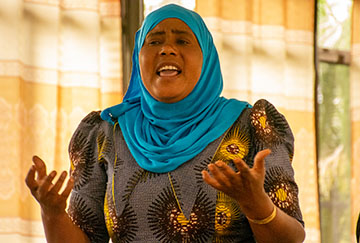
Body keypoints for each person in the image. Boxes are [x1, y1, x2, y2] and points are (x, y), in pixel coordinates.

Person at [25, 4, 306, 243]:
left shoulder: (251, 124)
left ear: (206, 58)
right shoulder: (104, 132)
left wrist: (256, 205)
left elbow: (292, 237)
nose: (167, 49)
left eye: (183, 41)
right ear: (139, 57)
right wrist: (52, 212)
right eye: (155, 40)